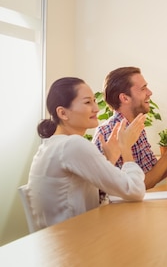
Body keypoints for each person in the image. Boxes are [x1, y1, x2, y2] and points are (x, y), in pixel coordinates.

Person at [26, 77, 146, 231]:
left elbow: (85, 191)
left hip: (57, 243)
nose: (96, 108)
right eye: (88, 102)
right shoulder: (72, 145)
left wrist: (110, 158)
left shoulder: (52, 145)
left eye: (94, 101)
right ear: (62, 113)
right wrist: (126, 148)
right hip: (75, 245)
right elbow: (135, 191)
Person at [93, 67, 167, 189]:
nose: (149, 92)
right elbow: (138, 186)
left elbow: (154, 175)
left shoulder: (137, 128)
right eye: (143, 88)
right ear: (125, 98)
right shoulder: (107, 133)